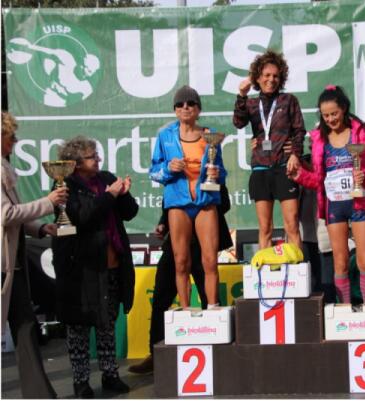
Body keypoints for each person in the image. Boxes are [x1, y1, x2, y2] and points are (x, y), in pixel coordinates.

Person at [52, 136, 138, 398]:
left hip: (110, 265)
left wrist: (122, 194)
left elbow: (130, 212)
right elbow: (80, 216)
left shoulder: (106, 178)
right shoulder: (65, 185)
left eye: (97, 155)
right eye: (92, 156)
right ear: (77, 163)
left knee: (107, 323)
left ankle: (110, 374)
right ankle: (81, 381)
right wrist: (109, 196)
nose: (98, 159)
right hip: (81, 267)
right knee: (78, 327)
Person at [293, 85, 365, 304]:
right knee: (340, 262)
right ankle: (344, 310)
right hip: (334, 206)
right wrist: (300, 176)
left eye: (334, 114)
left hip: (359, 203)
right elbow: (318, 180)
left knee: (364, 260)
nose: (331, 119)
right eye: (326, 116)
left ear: (343, 108)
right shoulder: (319, 139)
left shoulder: (361, 132)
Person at [128, 187, 233, 375]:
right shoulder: (174, 175)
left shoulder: (208, 172)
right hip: (177, 245)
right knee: (160, 298)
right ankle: (156, 354)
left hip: (202, 244)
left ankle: (216, 351)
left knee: (210, 301)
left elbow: (224, 203)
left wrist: (201, 207)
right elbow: (170, 203)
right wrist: (164, 223)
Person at [1, 111, 67, 399]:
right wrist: (48, 202)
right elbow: (6, 215)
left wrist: (41, 228)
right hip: (3, 265)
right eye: (10, 136)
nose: (15, 141)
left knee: (26, 326)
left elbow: (15, 218)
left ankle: (39, 393)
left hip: (12, 265)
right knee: (23, 325)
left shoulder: (4, 170)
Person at [150, 85, 226, 309]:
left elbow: (222, 172)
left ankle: (213, 308)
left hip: (205, 202)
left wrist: (217, 174)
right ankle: (185, 309)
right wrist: (168, 168)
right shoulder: (165, 136)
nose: (185, 107)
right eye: (180, 104)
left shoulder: (210, 135)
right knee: (181, 261)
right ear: (175, 110)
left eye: (191, 103)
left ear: (198, 109)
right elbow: (154, 172)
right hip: (178, 203)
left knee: (210, 260)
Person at [233, 49, 305, 250]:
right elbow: (238, 122)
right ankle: (265, 269)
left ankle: (296, 267)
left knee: (292, 224)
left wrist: (295, 154)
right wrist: (241, 95)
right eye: (266, 75)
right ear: (258, 77)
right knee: (265, 227)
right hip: (260, 169)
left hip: (284, 167)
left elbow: (299, 130)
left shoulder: (289, 100)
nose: (271, 80)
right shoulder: (250, 103)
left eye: (275, 76)